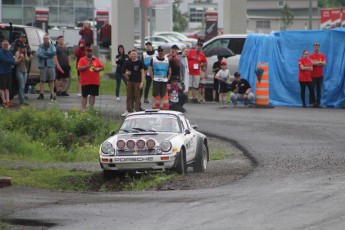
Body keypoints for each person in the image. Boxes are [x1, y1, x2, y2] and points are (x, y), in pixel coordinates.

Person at [77, 47, 104, 112]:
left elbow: (102, 67)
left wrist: (97, 69)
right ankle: (84, 109)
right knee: (84, 95)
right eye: (88, 52)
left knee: (93, 95)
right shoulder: (82, 59)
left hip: (94, 81)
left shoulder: (96, 59)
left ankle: (91, 109)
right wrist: (87, 66)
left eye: (90, 52)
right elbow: (79, 68)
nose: (89, 53)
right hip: (85, 81)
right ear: (86, 52)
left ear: (92, 52)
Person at [121, 49, 145, 116]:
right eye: (132, 54)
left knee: (137, 96)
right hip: (130, 81)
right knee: (129, 96)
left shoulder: (140, 62)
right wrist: (126, 74)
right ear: (130, 55)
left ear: (136, 54)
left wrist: (142, 82)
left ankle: (136, 110)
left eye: (134, 54)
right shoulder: (127, 62)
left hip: (137, 82)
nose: (133, 55)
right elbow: (123, 72)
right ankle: (128, 110)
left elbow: (142, 72)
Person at [37, 34, 57, 101]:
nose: (46, 39)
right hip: (43, 65)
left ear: (49, 39)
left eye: (47, 38)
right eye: (45, 38)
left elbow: (54, 52)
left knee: (52, 80)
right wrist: (48, 56)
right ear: (43, 39)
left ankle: (52, 93)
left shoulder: (52, 46)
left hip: (50, 65)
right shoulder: (40, 46)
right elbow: (39, 54)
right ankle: (41, 93)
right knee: (42, 80)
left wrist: (45, 54)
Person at [309, 42, 326, 108]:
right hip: (312, 75)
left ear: (319, 48)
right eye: (315, 47)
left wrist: (315, 62)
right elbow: (311, 63)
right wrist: (319, 62)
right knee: (312, 89)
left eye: (317, 47)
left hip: (320, 76)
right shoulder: (311, 55)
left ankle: (318, 103)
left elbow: (324, 63)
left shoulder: (322, 55)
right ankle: (311, 103)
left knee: (319, 90)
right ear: (313, 48)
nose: (316, 48)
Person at [0, 39, 16, 107]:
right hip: (2, 72)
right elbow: (4, 60)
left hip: (8, 71)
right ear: (2, 45)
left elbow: (13, 61)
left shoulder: (9, 52)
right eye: (4, 44)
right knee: (2, 88)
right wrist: (10, 61)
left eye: (7, 44)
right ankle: (4, 101)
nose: (6, 46)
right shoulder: (0, 52)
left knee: (7, 87)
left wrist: (10, 61)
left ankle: (8, 101)